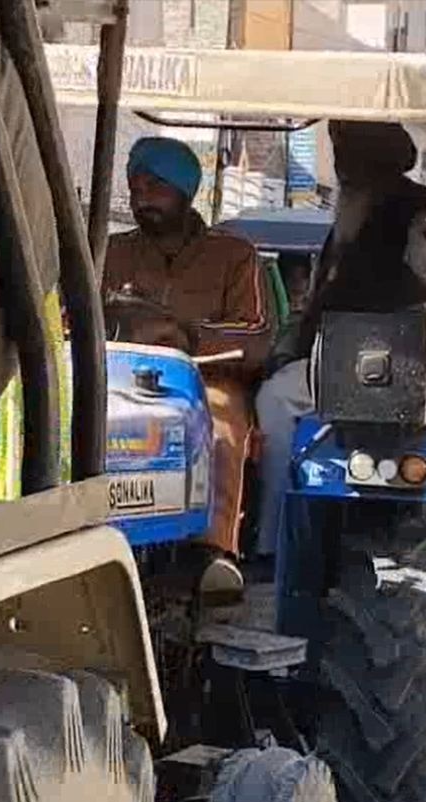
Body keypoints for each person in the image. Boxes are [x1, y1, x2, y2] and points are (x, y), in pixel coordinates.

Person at [255, 119, 426, 568]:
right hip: (336, 350)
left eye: (346, 150)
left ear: (371, 156)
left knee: (275, 400)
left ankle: (268, 542)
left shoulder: (416, 209)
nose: (339, 162)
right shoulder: (351, 208)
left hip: (383, 358)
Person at [103, 136, 271, 599]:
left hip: (203, 381)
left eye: (155, 186)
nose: (141, 197)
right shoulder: (110, 250)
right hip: (117, 380)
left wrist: (185, 337)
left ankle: (214, 554)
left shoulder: (234, 255)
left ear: (185, 191)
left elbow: (255, 336)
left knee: (217, 423)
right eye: (135, 186)